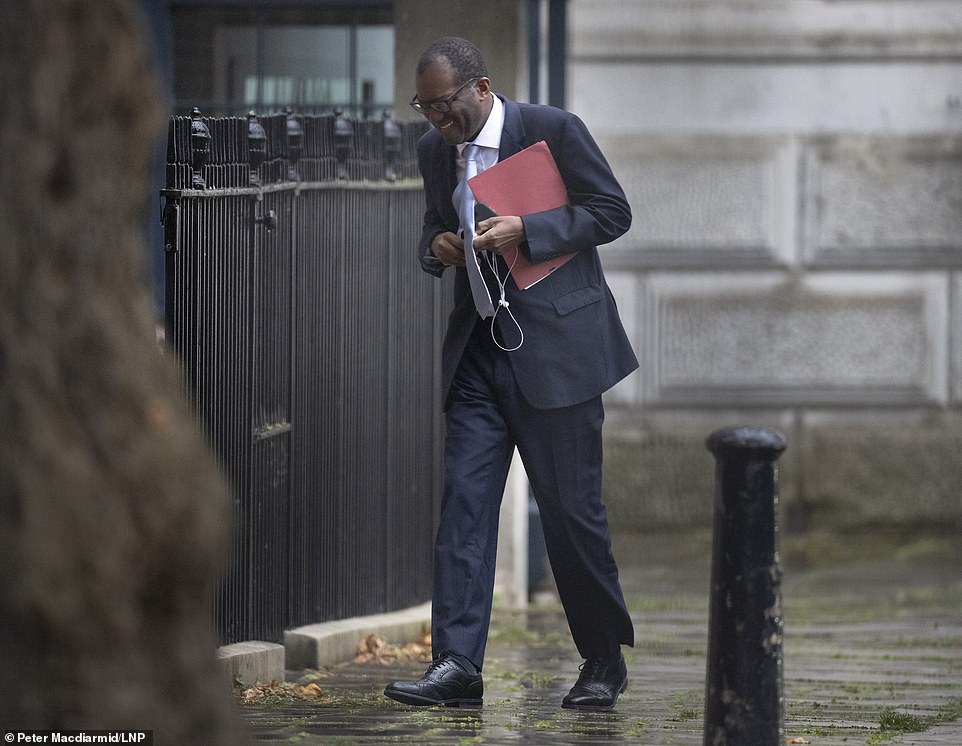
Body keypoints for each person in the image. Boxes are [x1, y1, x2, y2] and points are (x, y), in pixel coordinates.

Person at [384, 36, 637, 711]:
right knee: (464, 507)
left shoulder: (550, 131)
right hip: (479, 355)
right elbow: (439, 227)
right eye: (425, 108)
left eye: (445, 106)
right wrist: (434, 248)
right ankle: (457, 663)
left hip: (557, 354)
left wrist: (529, 228)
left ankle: (603, 661)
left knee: (569, 514)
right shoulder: (433, 151)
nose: (438, 121)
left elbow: (612, 212)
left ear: (481, 89)